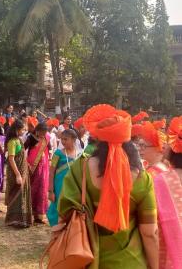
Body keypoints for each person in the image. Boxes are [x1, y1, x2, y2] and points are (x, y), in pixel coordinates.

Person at [58, 105, 159, 269]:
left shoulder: (80, 169)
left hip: (86, 258)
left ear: (100, 139)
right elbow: (149, 233)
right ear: (128, 141)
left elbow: (65, 211)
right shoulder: (142, 178)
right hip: (131, 262)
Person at [138, 117, 182, 269]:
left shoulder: (156, 178)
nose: (140, 149)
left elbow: (149, 229)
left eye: (144, 146)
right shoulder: (162, 172)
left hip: (165, 256)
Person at [47, 129, 79, 226]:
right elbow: (51, 172)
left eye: (66, 139)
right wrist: (51, 191)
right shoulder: (58, 153)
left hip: (74, 187)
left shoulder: (79, 153)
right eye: (62, 139)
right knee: (58, 207)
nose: (63, 142)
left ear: (74, 140)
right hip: (59, 187)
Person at [5, 119, 33, 228]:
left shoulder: (19, 140)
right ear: (17, 130)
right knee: (16, 194)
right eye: (23, 129)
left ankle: (22, 219)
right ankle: (14, 219)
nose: (24, 130)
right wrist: (17, 174)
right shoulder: (13, 142)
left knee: (22, 195)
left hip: (23, 170)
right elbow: (11, 159)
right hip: (15, 171)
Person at [25, 123, 50, 224]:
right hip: (32, 167)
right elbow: (23, 149)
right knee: (32, 189)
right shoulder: (31, 138)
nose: (43, 134)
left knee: (42, 189)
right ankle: (29, 214)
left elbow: (50, 150)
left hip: (43, 166)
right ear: (37, 130)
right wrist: (25, 163)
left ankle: (39, 215)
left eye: (45, 132)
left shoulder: (46, 138)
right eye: (41, 132)